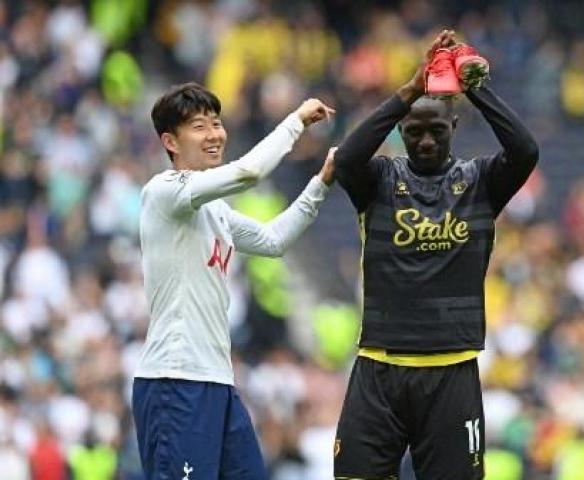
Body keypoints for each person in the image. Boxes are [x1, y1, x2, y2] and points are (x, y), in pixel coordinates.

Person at [332, 30, 539, 479]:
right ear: (401, 129)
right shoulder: (379, 181)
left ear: (454, 128)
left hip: (452, 372)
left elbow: (525, 151)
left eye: (437, 130)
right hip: (379, 368)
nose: (425, 141)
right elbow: (346, 159)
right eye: (414, 130)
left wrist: (474, 88)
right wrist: (406, 92)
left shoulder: (481, 182)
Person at [132, 82, 335, 479]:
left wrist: (321, 182)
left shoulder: (216, 212)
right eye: (199, 126)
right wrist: (295, 123)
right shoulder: (164, 192)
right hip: (176, 381)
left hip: (217, 382)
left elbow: (274, 241)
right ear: (170, 141)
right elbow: (249, 172)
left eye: (217, 123)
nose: (215, 135)